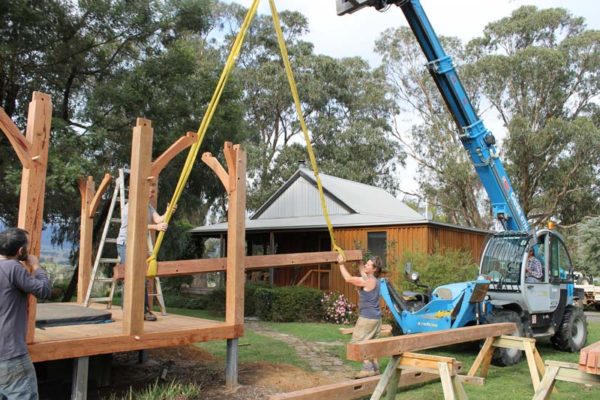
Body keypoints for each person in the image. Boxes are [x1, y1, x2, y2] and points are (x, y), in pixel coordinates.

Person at [0, 228, 52, 399]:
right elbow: (44, 290)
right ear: (21, 251)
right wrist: (36, 266)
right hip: (11, 355)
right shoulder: (13, 268)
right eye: (27, 247)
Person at [116, 181, 169, 321]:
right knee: (130, 276)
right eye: (151, 192)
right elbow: (137, 226)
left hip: (138, 246)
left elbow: (159, 219)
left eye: (154, 192)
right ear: (143, 191)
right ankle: (129, 309)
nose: (153, 195)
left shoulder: (148, 206)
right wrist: (156, 228)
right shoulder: (130, 207)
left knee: (142, 277)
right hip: (125, 245)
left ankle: (144, 310)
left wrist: (169, 211)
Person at [337, 253, 383, 378]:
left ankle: (367, 369)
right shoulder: (375, 280)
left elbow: (348, 279)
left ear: (374, 269)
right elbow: (363, 271)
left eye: (368, 264)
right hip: (376, 319)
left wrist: (341, 264)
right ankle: (375, 369)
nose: (366, 266)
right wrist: (359, 261)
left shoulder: (367, 281)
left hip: (367, 318)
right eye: (366, 263)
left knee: (358, 343)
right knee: (371, 343)